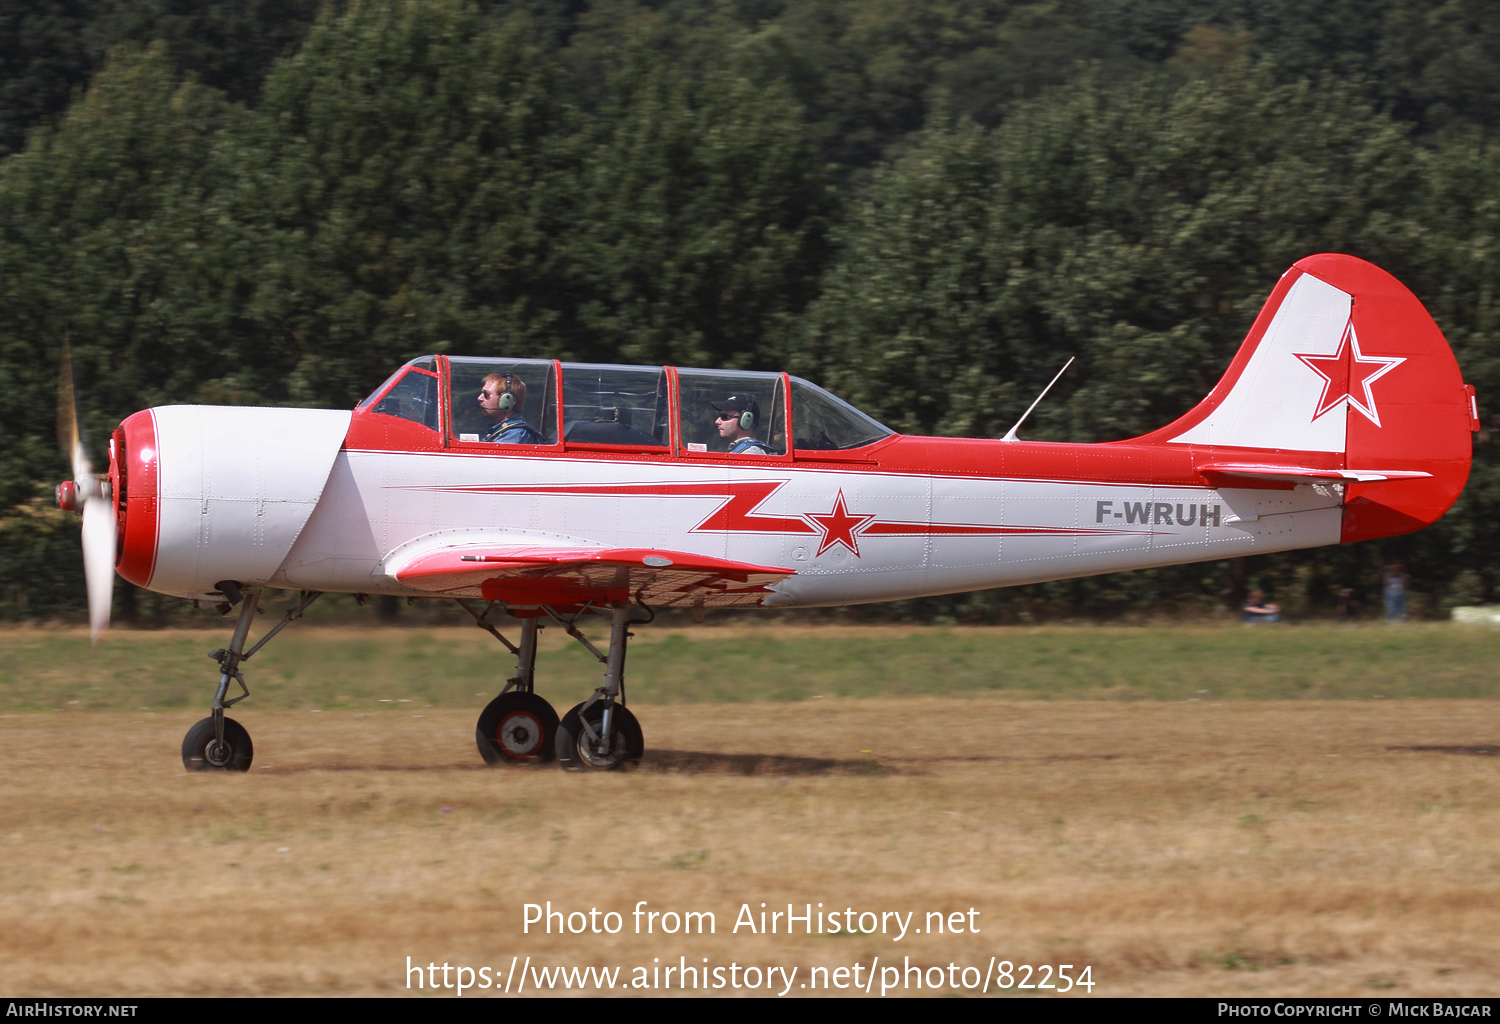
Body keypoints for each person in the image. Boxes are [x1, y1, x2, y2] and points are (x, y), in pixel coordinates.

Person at [478, 372, 545, 444]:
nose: (479, 398)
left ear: (506, 400)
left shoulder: (515, 434)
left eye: (486, 394)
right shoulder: (501, 431)